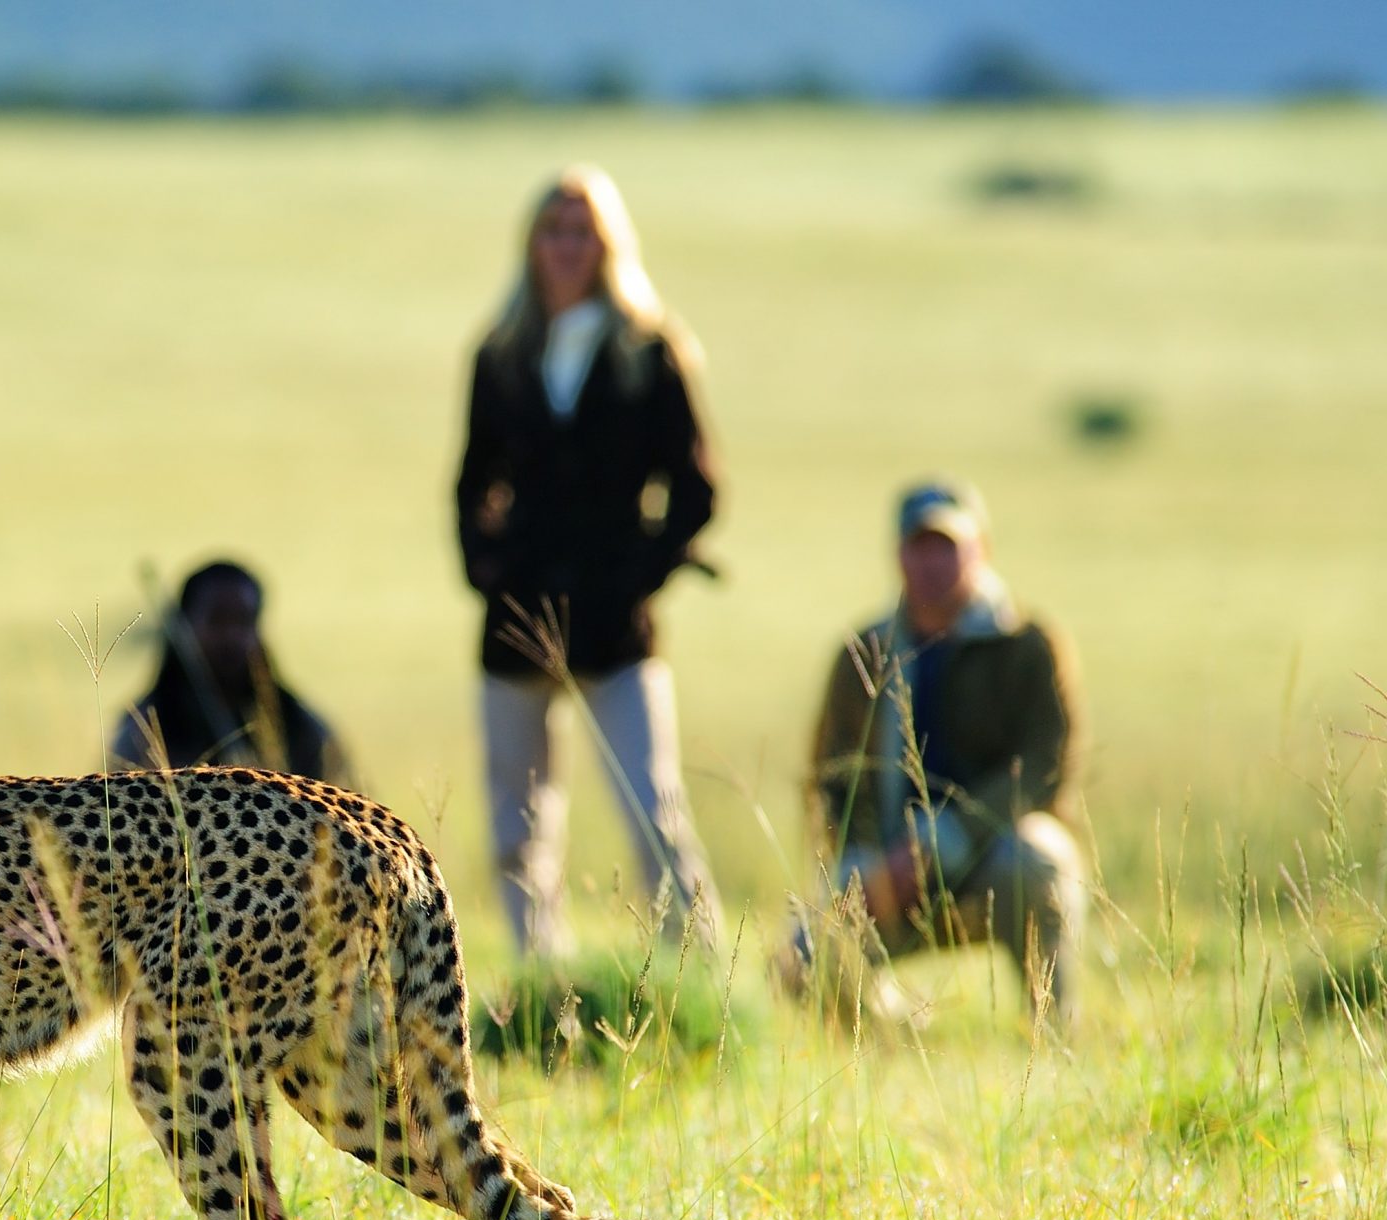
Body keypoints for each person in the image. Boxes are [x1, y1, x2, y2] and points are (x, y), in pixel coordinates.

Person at [453, 164, 722, 960]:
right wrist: (487, 569)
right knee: (518, 823)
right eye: (554, 231)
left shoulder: (650, 350)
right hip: (517, 619)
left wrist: (641, 571)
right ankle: (545, 986)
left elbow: (697, 486)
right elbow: (471, 483)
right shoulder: (501, 354)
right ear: (532, 245)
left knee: (654, 812)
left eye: (583, 233)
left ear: (609, 246)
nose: (568, 247)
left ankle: (697, 983)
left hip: (616, 624)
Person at [785, 479, 1088, 1025]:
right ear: (898, 556)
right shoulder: (865, 653)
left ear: (982, 550)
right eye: (919, 548)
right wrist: (863, 866)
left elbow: (1046, 768)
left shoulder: (1027, 645)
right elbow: (830, 781)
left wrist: (941, 843)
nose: (932, 563)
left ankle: (1055, 1036)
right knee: (802, 955)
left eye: (947, 546)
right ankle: (887, 1045)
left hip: (994, 856)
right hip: (889, 873)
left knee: (1041, 861)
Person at [111, 560, 351, 786]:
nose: (231, 637)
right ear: (184, 626)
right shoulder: (144, 730)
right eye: (216, 620)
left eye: (243, 621)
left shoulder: (301, 729)